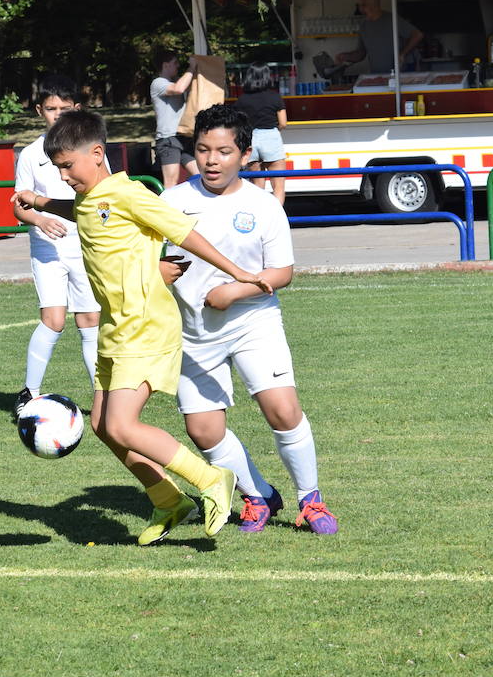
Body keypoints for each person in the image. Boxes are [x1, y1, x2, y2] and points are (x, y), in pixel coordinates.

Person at [23, 109, 273, 545]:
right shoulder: (90, 197)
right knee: (102, 425)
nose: (63, 177)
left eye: (67, 166)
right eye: (58, 168)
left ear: (97, 154)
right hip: (115, 328)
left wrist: (240, 273)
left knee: (122, 425)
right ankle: (167, 500)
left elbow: (184, 234)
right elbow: (82, 209)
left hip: (145, 323)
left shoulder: (128, 193)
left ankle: (212, 480)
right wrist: (44, 203)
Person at [160, 104, 335, 535]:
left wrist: (233, 291)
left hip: (253, 322)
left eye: (223, 151)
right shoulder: (171, 202)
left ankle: (310, 500)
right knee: (203, 429)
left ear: (245, 153)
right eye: (202, 150)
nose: (211, 160)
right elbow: (150, 260)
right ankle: (258, 495)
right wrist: (157, 273)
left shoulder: (263, 205)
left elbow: (282, 273)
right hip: (193, 331)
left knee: (281, 408)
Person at [11, 73, 101, 412]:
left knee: (89, 319)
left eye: (65, 109)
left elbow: (104, 194)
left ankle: (101, 398)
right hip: (48, 249)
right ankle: (29, 393)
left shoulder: (90, 150)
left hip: (85, 244)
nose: (58, 115)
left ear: (76, 109)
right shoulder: (32, 154)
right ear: (39, 111)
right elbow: (19, 205)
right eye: (51, 109)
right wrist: (40, 218)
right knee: (54, 319)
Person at [233, 63, 288, 203]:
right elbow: (283, 123)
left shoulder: (242, 100)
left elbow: (237, 123)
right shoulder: (275, 97)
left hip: (251, 139)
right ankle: (276, 220)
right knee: (278, 186)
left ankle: (259, 220)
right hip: (270, 136)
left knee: (257, 187)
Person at [335, 0, 423, 74]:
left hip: (400, 74)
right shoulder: (363, 25)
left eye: (363, 5)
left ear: (374, 6)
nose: (360, 9)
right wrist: (345, 56)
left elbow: (417, 35)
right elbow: (361, 53)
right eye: (360, 6)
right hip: (377, 76)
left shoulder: (392, 20)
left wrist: (403, 53)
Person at [150, 50, 199, 188]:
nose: (178, 66)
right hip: (168, 139)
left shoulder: (177, 81)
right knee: (171, 182)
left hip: (183, 136)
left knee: (198, 175)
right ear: (165, 65)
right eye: (175, 63)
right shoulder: (158, 83)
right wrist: (191, 67)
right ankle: (166, 209)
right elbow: (178, 89)